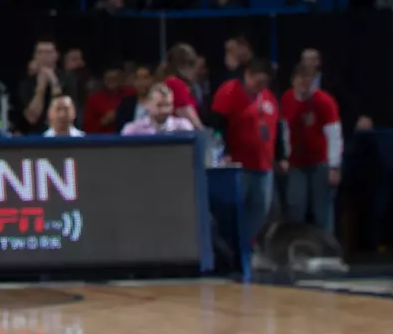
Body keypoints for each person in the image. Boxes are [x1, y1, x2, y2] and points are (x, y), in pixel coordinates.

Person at [211, 58, 280, 262]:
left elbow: (278, 128)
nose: (261, 87)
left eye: (265, 84)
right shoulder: (229, 91)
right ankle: (233, 253)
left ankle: (245, 248)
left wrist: (281, 156)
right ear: (247, 75)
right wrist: (223, 152)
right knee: (235, 212)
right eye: (258, 83)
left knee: (261, 210)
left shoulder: (268, 97)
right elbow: (216, 125)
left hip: (264, 165)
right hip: (238, 166)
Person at [279, 62, 342, 235]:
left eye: (308, 83)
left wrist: (334, 166)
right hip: (296, 163)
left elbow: (334, 134)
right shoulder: (286, 99)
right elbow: (284, 130)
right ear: (293, 81)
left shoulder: (324, 101)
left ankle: (328, 251)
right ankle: (298, 248)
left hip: (320, 162)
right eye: (301, 82)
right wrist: (284, 155)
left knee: (322, 211)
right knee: (295, 206)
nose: (305, 87)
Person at [121, 83, 197, 135]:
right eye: (159, 105)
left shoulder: (183, 127)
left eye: (168, 105)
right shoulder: (133, 130)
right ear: (148, 104)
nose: (164, 110)